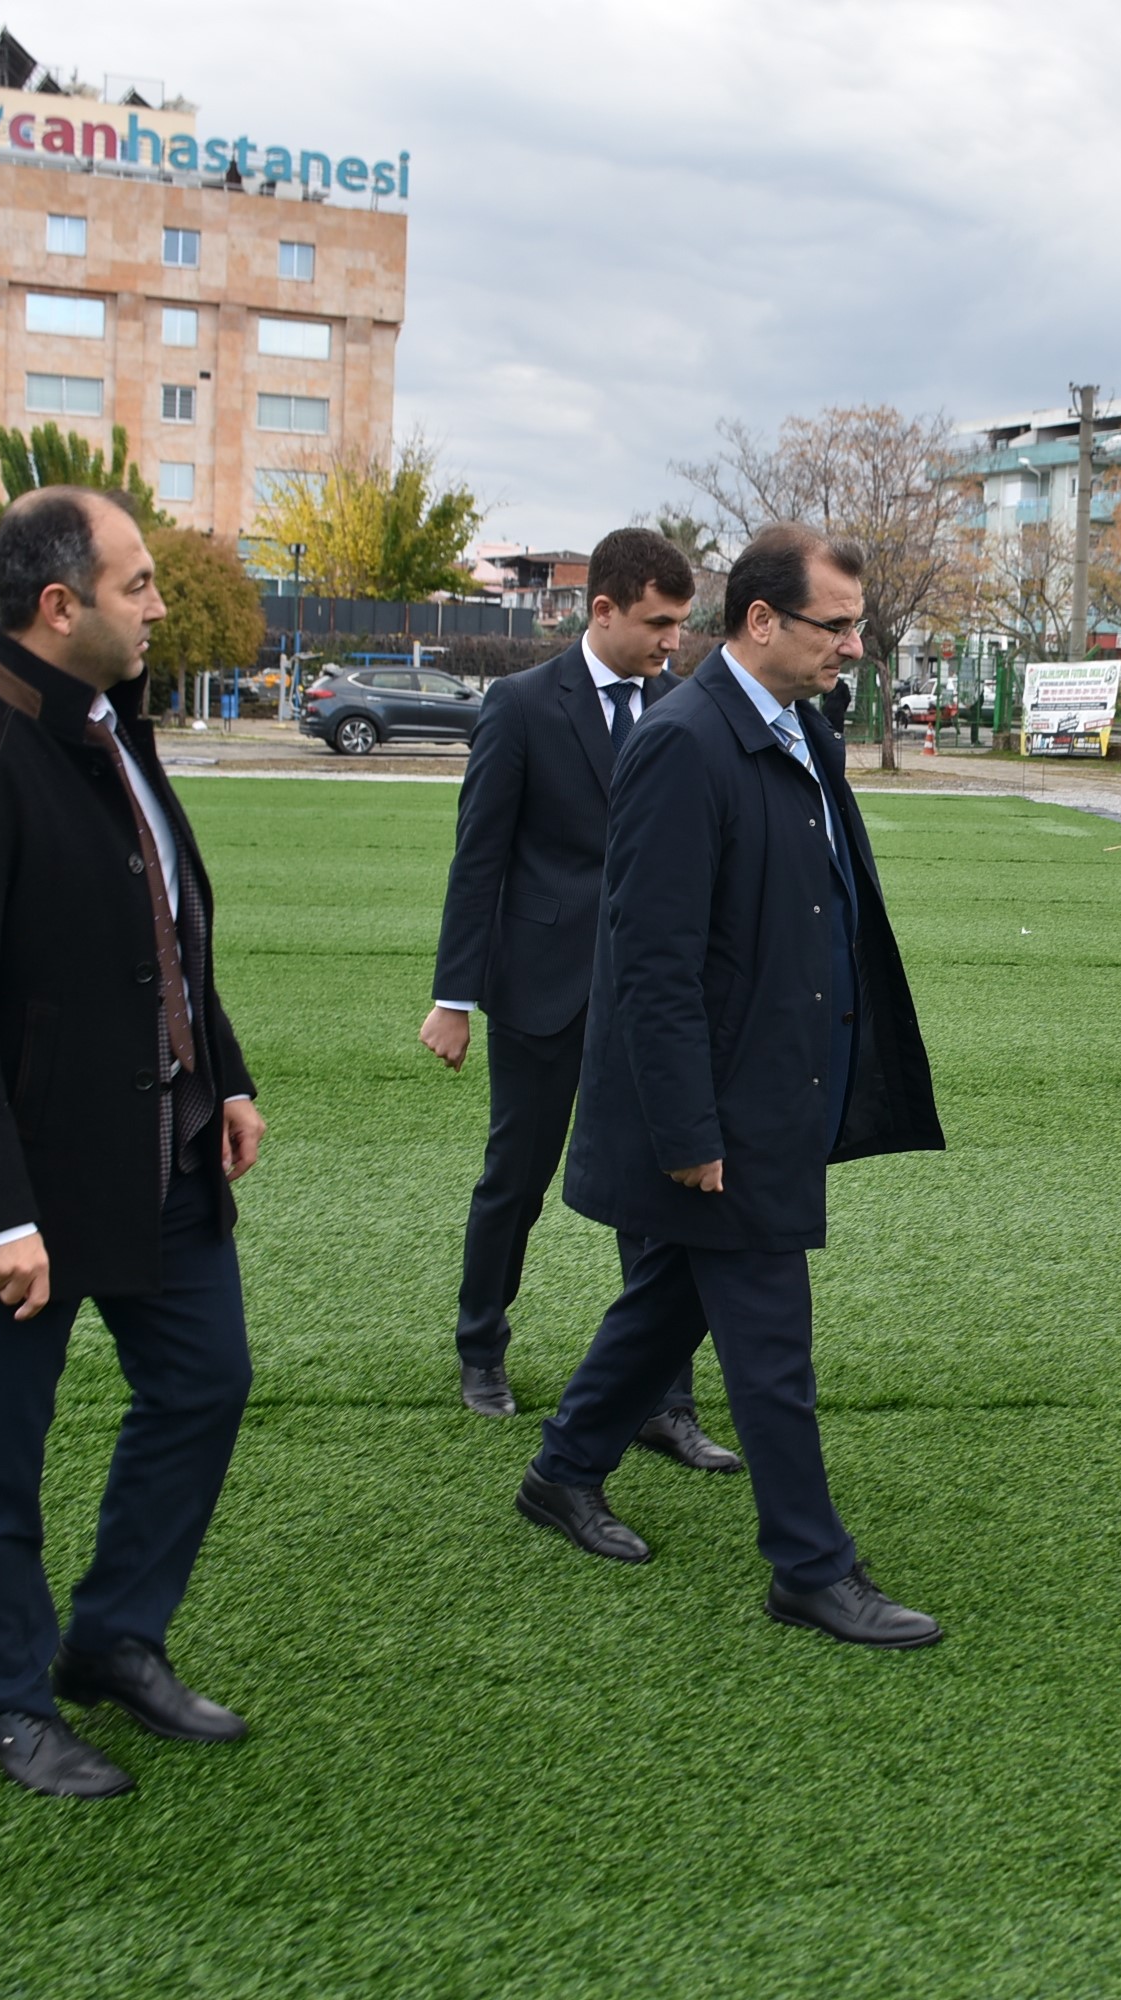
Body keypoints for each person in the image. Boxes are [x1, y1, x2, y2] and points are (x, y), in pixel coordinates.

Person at [0, 487, 266, 1800]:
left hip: (160, 1155)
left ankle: (112, 1641)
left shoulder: (114, 730)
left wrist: (229, 1077)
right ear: (61, 606)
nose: (160, 605)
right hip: (19, 1196)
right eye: (140, 584)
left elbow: (168, 935)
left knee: (205, 1380)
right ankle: (6, 1703)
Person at [516, 523, 949, 1646]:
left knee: (669, 1301)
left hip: (777, 1079)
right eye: (836, 625)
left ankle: (562, 1469)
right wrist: (687, 1126)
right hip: (722, 1105)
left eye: (856, 624)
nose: (853, 645)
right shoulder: (681, 742)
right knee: (769, 1339)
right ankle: (809, 1565)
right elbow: (648, 960)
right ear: (762, 622)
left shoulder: (803, 729)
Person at [421, 527, 740, 1472]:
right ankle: (482, 1347)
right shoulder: (520, 706)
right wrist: (454, 999)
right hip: (541, 991)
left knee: (660, 1195)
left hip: (648, 998)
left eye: (681, 625)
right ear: (601, 610)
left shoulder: (682, 707)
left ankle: (663, 1400)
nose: (672, 643)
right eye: (656, 623)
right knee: (514, 1182)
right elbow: (479, 860)